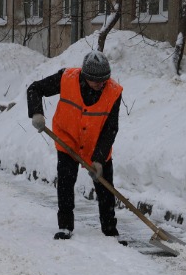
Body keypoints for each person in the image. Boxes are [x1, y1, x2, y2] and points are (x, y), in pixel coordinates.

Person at [27, 50, 122, 240]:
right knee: (65, 183)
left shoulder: (113, 91)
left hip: (96, 144)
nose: (100, 84)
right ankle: (65, 226)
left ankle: (110, 230)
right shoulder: (66, 78)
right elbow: (35, 89)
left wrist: (99, 159)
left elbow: (110, 128)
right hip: (67, 139)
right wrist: (36, 113)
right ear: (85, 75)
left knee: (105, 186)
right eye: (95, 80)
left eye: (103, 80)